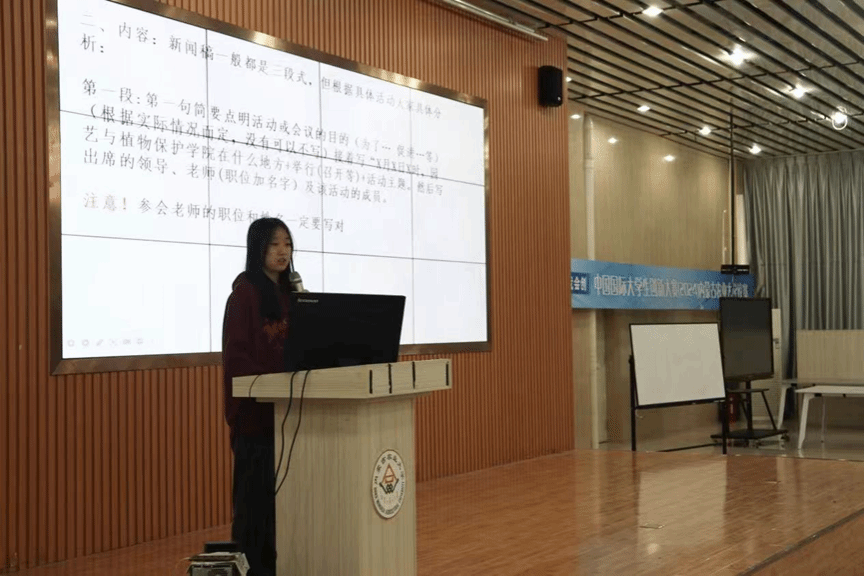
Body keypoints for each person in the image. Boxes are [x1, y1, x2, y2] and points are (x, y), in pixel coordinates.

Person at [222, 217, 296, 576]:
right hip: (256, 421)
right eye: (274, 244)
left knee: (287, 512)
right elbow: (237, 360)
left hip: (293, 419)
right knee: (255, 513)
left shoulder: (294, 295)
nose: (283, 251)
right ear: (258, 249)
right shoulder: (244, 295)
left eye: (288, 244)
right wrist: (272, 383)